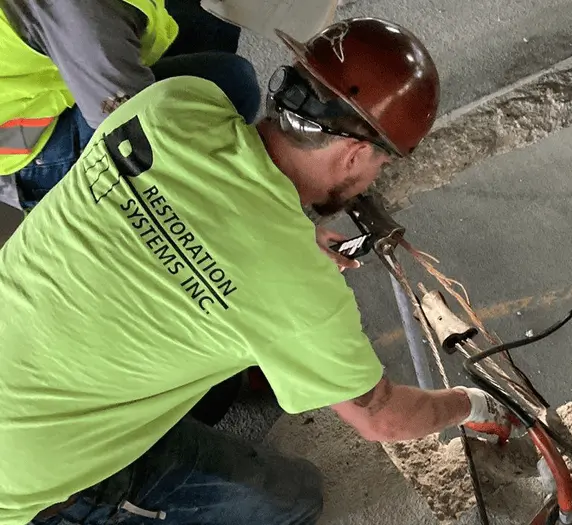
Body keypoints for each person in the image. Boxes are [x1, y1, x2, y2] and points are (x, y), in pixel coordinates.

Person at [0, 17, 515, 525]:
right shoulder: (299, 295)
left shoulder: (174, 102)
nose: (373, 179)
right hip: (22, 479)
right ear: (355, 153)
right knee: (293, 499)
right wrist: (471, 404)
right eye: (380, 166)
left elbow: (210, 200)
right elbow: (383, 419)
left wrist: (287, 239)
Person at [0, 0, 256, 212]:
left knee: (210, 16)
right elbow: (136, 134)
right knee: (229, 83)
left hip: (41, 77)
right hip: (28, 160)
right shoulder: (83, 16)